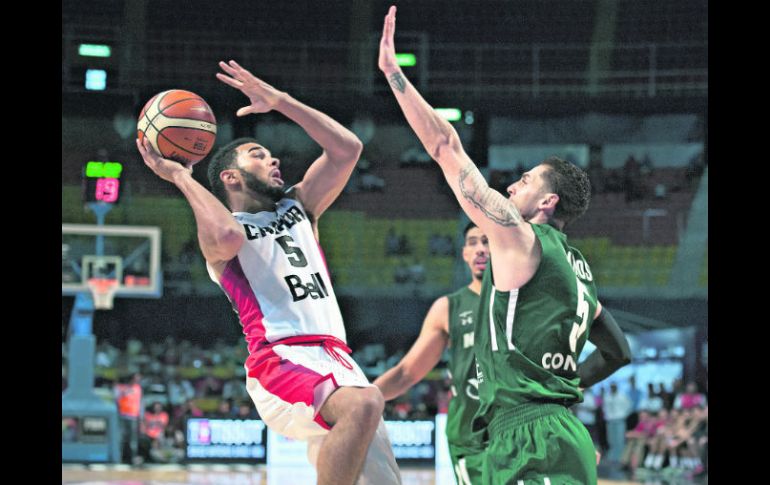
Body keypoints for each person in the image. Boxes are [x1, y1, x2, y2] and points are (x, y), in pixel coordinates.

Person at [378, 7, 631, 483]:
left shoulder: (519, 236)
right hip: (551, 431)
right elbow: (619, 351)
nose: (515, 183)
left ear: (548, 201)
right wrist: (568, 389)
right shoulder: (578, 268)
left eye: (527, 179)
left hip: (528, 436)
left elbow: (445, 147)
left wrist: (394, 75)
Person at [137, 59, 401, 485]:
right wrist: (179, 178)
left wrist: (279, 101)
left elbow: (347, 149)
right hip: (280, 361)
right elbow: (224, 235)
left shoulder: (300, 208)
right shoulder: (225, 231)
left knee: (384, 477)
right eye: (258, 156)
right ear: (230, 177)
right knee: (366, 403)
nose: (273, 159)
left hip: (338, 361)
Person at [375, 222, 489, 484]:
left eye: (487, 241)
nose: (480, 250)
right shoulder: (448, 307)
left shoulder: (521, 301)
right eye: (473, 243)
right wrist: (364, 400)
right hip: (471, 433)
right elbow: (406, 373)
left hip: (518, 427)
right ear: (464, 254)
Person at [114, 372, 143, 464]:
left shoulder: (138, 388)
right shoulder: (121, 387)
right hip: (122, 416)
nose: (137, 380)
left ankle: (132, 458)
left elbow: (139, 402)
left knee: (132, 439)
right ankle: (118, 458)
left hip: (133, 416)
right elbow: (116, 399)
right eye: (136, 378)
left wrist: (140, 416)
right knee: (121, 437)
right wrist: (124, 392)